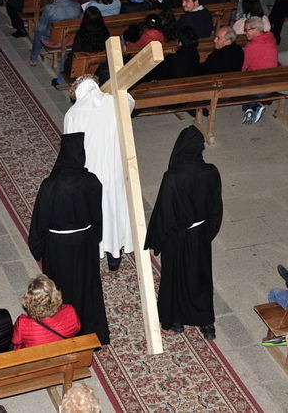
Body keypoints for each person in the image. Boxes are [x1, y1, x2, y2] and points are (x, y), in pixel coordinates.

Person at [28, 132, 110, 345]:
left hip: (57, 246)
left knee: (60, 287)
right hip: (83, 243)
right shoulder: (92, 181)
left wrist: (38, 246)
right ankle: (90, 330)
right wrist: (94, 239)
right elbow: (97, 217)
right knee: (86, 286)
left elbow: (40, 219)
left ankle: (59, 331)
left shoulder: (50, 185)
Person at [145, 125, 223, 340]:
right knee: (200, 277)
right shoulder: (211, 172)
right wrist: (207, 233)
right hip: (199, 234)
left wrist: (159, 240)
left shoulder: (173, 176)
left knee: (176, 277)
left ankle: (176, 319)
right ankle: (206, 323)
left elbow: (165, 212)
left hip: (177, 236)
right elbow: (216, 207)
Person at [63, 75, 133, 274]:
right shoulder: (114, 103)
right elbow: (130, 103)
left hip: (89, 173)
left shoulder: (73, 114)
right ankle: (115, 256)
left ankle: (94, 252)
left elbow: (71, 150)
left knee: (93, 212)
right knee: (115, 209)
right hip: (114, 168)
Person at [12, 274, 81, 349]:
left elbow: (15, 341)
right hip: (63, 351)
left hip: (35, 356)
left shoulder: (22, 323)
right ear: (56, 296)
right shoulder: (70, 311)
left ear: (29, 301)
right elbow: (77, 328)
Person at [29, 0, 82, 65]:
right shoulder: (76, 6)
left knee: (38, 32)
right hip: (70, 40)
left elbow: (41, 28)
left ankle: (33, 58)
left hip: (53, 41)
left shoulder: (49, 8)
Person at [56, 6, 109, 87]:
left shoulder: (81, 35)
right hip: (99, 66)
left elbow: (75, 52)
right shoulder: (105, 33)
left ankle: (59, 81)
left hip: (81, 67)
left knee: (65, 56)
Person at [240, 16, 278, 124]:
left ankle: (252, 107)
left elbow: (244, 66)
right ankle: (252, 107)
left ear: (256, 30)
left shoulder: (251, 46)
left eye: (246, 30)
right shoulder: (271, 38)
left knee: (239, 81)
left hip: (260, 87)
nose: (244, 33)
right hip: (273, 82)